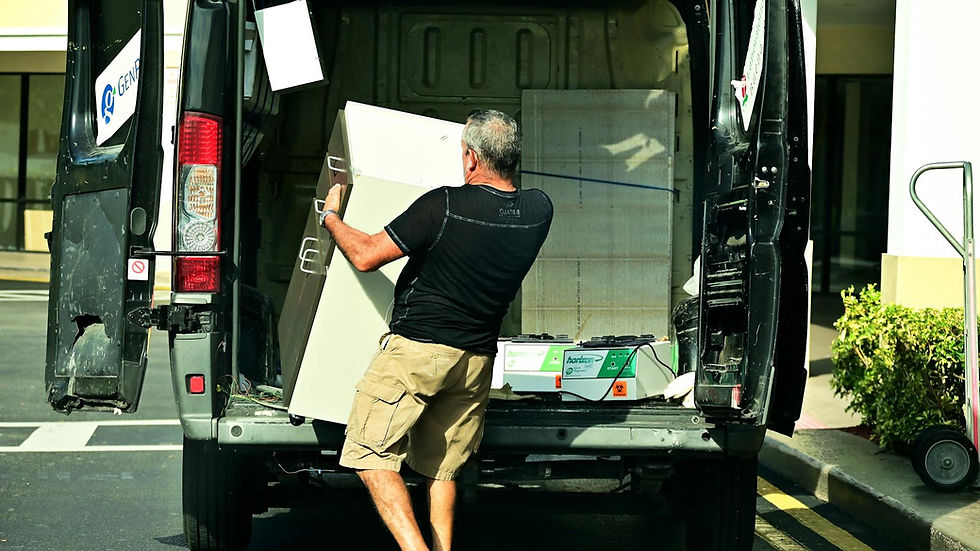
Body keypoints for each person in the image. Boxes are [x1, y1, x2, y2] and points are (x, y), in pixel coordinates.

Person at [318, 108, 553, 551]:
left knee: (369, 454)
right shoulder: (539, 210)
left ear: (472, 159)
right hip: (475, 363)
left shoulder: (442, 205)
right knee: (442, 468)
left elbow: (366, 255)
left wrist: (331, 216)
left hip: (418, 354)